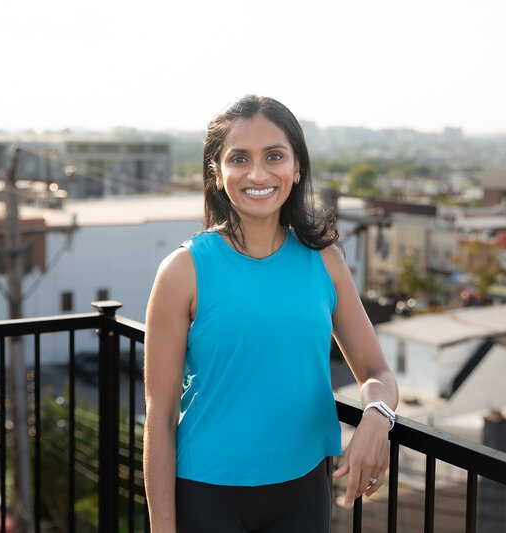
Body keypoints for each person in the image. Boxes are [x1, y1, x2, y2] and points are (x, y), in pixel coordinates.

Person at [143, 95, 398, 532]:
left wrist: (378, 416)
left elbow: (377, 372)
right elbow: (160, 417)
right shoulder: (183, 271)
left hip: (305, 492)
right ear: (217, 174)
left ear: (297, 168)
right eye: (239, 158)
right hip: (206, 495)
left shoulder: (327, 261)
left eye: (274, 156)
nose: (258, 174)